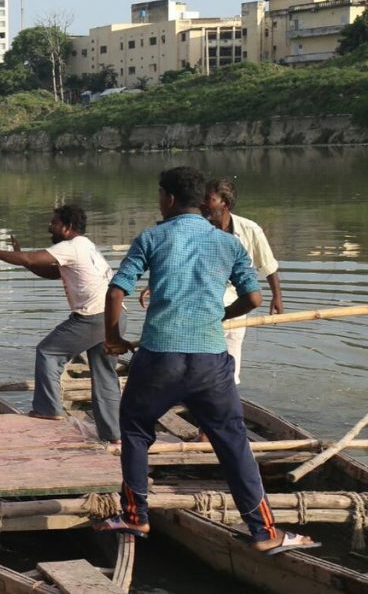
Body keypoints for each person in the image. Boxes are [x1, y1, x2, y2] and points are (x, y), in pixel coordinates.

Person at [96, 166, 319, 555]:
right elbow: (253, 299)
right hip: (210, 361)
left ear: (167, 198)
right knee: (233, 442)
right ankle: (264, 531)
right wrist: (220, 317)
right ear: (201, 200)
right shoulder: (228, 243)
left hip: (159, 357)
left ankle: (136, 515)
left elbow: (116, 292)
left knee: (134, 430)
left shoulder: (151, 236)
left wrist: (113, 339)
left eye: (158, 195)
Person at [0, 205, 122, 443]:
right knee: (105, 377)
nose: (49, 228)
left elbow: (33, 258)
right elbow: (52, 272)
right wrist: (24, 260)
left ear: (67, 227)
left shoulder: (70, 246)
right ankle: (114, 435)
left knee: (48, 351)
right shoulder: (86, 246)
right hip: (115, 316)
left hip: (94, 318)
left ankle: (48, 410)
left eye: (54, 224)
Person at [202, 178, 283, 382]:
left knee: (231, 353)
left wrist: (277, 296)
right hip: (204, 302)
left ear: (225, 204)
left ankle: (229, 392)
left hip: (237, 304)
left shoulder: (249, 229)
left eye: (209, 199)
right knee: (202, 356)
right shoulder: (199, 230)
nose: (203, 203)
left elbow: (268, 264)